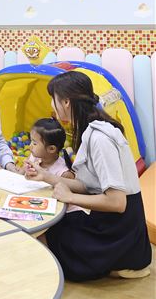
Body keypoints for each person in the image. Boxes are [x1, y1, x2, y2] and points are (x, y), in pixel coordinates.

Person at [25, 71, 152, 282]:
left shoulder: (100, 138)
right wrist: (45, 176)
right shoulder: (90, 130)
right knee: (57, 225)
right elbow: (89, 185)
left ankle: (120, 262)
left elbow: (117, 202)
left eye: (53, 99)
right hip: (112, 223)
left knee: (54, 232)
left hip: (119, 231)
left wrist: (69, 197)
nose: (52, 105)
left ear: (66, 102)